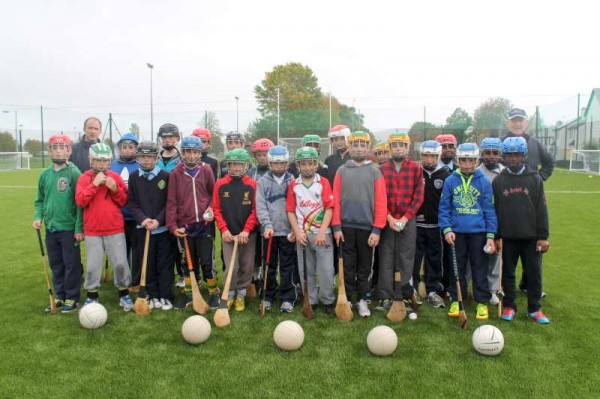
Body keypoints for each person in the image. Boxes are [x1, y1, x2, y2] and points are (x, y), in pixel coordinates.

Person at [493, 137, 550, 324]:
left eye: (516, 155)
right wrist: (496, 236)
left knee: (534, 273)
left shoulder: (535, 178)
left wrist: (543, 237)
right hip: (508, 237)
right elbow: (496, 210)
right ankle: (509, 305)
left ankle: (534, 308)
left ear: (524, 155)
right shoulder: (499, 180)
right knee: (508, 273)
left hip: (531, 238)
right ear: (504, 156)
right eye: (509, 155)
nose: (513, 159)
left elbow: (542, 209)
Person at [438, 143, 497, 321]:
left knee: (480, 269)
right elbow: (444, 208)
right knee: (457, 269)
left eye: (470, 160)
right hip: (456, 234)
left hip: (478, 234)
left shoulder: (484, 182)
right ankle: (457, 299)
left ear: (476, 160)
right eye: (463, 160)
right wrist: (447, 229)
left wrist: (490, 236)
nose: (466, 164)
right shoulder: (450, 180)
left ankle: (481, 302)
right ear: (458, 160)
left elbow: (489, 211)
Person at [332, 131, 387, 318]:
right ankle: (346, 297)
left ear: (368, 147)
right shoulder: (342, 171)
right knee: (348, 265)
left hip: (367, 229)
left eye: (363, 145)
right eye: (355, 145)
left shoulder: (374, 171)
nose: (359, 148)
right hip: (345, 228)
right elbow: (336, 201)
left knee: (364, 266)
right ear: (349, 147)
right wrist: (337, 227)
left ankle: (362, 299)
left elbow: (381, 202)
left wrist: (377, 229)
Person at [502, 107, 554, 296]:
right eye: (514, 120)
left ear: (525, 122)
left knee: (531, 243)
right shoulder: (501, 143)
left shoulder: (534, 143)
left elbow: (549, 162)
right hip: (507, 195)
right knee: (508, 246)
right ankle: (503, 287)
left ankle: (529, 284)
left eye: (520, 120)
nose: (517, 123)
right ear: (508, 122)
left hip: (530, 197)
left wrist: (538, 179)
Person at [75, 143, 133, 310]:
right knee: (93, 265)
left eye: (105, 161)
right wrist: (94, 185)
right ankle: (92, 295)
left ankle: (124, 293)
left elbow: (123, 201)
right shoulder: (84, 178)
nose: (101, 165)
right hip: (93, 230)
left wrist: (114, 189)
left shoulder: (114, 177)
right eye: (98, 161)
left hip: (114, 228)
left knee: (121, 263)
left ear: (110, 161)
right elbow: (80, 201)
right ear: (90, 160)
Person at [33, 134, 84, 313]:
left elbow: (80, 203)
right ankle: (60, 295)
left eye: (62, 147)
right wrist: (38, 217)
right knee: (56, 264)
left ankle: (72, 297)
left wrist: (79, 228)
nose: (58, 150)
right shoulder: (44, 174)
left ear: (69, 150)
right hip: (51, 228)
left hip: (69, 229)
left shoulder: (74, 172)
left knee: (71, 264)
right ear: (49, 150)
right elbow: (39, 200)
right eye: (55, 147)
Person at [165, 136, 218, 309]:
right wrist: (172, 226)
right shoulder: (175, 173)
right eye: (188, 152)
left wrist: (210, 209)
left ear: (200, 153)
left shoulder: (207, 170)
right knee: (188, 263)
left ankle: (213, 294)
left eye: (195, 152)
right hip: (184, 226)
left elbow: (213, 195)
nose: (191, 155)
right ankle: (189, 294)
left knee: (207, 262)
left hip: (204, 225)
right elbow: (171, 201)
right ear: (183, 153)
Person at [376, 133, 424, 315]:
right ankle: (386, 296)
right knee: (387, 257)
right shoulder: (381, 170)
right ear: (389, 148)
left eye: (402, 145)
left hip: (407, 221)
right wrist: (389, 218)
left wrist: (405, 218)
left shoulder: (415, 169)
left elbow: (419, 196)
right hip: (387, 220)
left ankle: (403, 294)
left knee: (405, 258)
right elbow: (379, 197)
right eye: (395, 145)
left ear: (408, 147)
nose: (398, 148)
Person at [287, 147, 336, 315]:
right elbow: (291, 211)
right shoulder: (294, 184)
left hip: (322, 235)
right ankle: (311, 300)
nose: (307, 167)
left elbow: (329, 208)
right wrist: (297, 232)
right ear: (298, 165)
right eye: (303, 164)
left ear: (316, 164)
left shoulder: (323, 182)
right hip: (302, 236)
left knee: (327, 270)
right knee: (306, 271)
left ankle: (328, 300)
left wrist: (322, 232)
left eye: (311, 163)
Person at [126, 141, 174, 310]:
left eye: (150, 157)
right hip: (143, 228)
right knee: (148, 263)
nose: (146, 160)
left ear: (156, 158)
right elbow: (131, 203)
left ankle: (166, 295)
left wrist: (158, 221)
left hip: (162, 229)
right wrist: (143, 220)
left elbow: (169, 203)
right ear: (138, 157)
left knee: (164, 263)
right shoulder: (133, 177)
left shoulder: (165, 176)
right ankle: (153, 295)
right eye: (143, 157)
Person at [213, 148, 257, 312]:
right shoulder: (220, 184)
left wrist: (246, 230)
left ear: (246, 165)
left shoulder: (252, 185)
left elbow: (255, 210)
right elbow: (216, 209)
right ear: (228, 165)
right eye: (233, 164)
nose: (236, 168)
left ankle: (241, 295)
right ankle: (229, 294)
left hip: (248, 235)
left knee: (246, 265)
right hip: (229, 235)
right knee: (231, 266)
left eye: (240, 164)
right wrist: (224, 230)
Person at [256, 146, 297, 312]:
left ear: (286, 163)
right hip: (269, 232)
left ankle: (287, 298)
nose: (278, 167)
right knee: (269, 266)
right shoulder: (262, 182)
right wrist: (266, 225)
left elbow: (297, 206)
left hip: (288, 232)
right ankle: (267, 296)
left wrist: (295, 228)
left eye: (282, 163)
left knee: (288, 266)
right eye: (275, 163)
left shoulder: (293, 180)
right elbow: (260, 206)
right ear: (270, 163)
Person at [413, 140, 450, 309]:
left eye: (432, 156)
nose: (428, 160)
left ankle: (433, 290)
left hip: (436, 226)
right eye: (425, 156)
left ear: (438, 156)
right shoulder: (415, 173)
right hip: (417, 225)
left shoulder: (446, 175)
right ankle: (412, 288)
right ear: (421, 156)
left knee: (435, 258)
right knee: (414, 258)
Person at [110, 133, 140, 290]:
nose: (127, 150)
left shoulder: (141, 165)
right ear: (119, 148)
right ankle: (122, 280)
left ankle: (135, 280)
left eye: (131, 147)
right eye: (124, 147)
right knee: (120, 252)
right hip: (117, 218)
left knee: (137, 251)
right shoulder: (112, 166)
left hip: (136, 218)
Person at [477, 137, 505, 306]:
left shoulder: (505, 173)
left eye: (495, 152)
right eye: (487, 152)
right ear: (482, 154)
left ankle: (492, 290)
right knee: (474, 258)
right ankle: (468, 288)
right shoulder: (476, 172)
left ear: (500, 154)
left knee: (494, 256)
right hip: (477, 221)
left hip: (496, 222)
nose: (491, 156)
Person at [247, 138, 275, 295]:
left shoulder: (276, 171)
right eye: (259, 155)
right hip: (253, 219)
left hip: (269, 219)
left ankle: (268, 279)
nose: (263, 157)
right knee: (254, 251)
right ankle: (255, 276)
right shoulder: (251, 173)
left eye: (265, 154)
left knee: (268, 252)